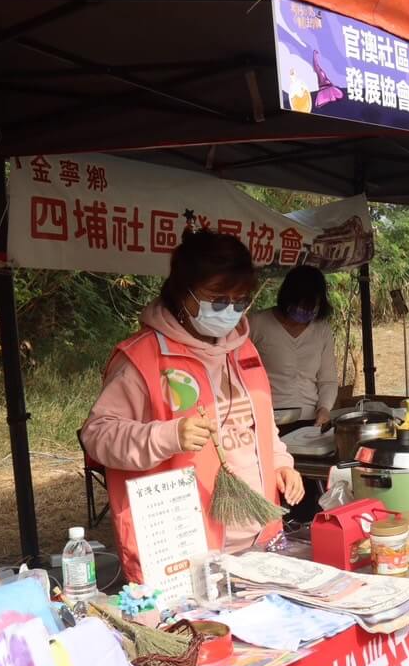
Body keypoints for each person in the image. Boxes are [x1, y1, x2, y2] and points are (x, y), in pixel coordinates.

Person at [82, 230, 305, 582]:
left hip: (259, 540)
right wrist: (167, 436)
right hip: (188, 553)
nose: (228, 311)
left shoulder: (243, 349)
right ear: (182, 293)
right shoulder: (143, 357)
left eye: (239, 301)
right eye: (216, 300)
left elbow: (259, 427)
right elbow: (97, 435)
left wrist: (280, 463)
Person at [247, 265, 338, 431]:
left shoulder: (321, 329)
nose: (305, 312)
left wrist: (324, 408)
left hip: (311, 421)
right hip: (268, 420)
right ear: (287, 298)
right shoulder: (257, 323)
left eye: (311, 307)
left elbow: (328, 379)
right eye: (300, 306)